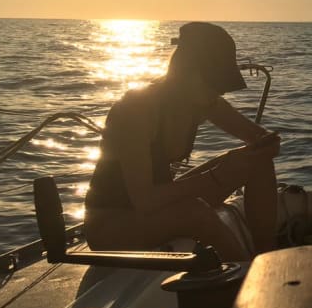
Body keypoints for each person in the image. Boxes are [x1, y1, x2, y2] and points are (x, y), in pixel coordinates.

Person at [84, 22, 281, 262]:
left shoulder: (202, 101)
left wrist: (266, 143)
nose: (219, 92)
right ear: (185, 73)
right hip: (112, 224)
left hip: (160, 208)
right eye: (213, 82)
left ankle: (266, 258)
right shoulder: (137, 110)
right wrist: (216, 176)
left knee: (258, 161)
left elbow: (255, 136)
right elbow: (144, 200)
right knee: (196, 213)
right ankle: (247, 278)